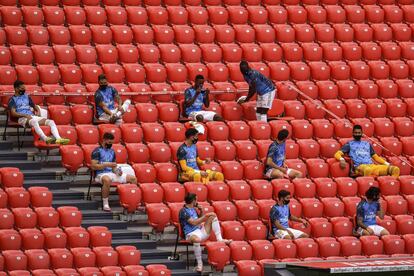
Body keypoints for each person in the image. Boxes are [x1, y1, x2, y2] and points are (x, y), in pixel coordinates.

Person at [179, 193, 231, 272]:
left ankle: (220, 239)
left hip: (200, 231)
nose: (197, 201)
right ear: (193, 201)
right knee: (196, 240)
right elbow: (194, 223)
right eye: (196, 199)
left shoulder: (194, 209)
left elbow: (199, 220)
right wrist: (205, 217)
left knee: (213, 216)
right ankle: (200, 264)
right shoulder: (183, 211)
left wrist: (201, 211)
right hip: (191, 234)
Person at [8, 80, 70, 145]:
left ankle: (58, 138)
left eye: (24, 88)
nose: (24, 90)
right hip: (21, 118)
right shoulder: (12, 100)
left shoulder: (26, 96)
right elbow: (13, 113)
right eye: (22, 88)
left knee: (51, 122)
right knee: (34, 121)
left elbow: (34, 106)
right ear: (16, 89)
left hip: (31, 116)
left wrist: (38, 111)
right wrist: (25, 115)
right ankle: (45, 138)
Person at [91, 132, 137, 212]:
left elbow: (113, 167)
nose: (110, 144)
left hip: (111, 173)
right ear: (104, 140)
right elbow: (93, 166)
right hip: (100, 174)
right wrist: (106, 164)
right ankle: (105, 203)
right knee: (107, 180)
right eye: (109, 142)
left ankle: (133, 202)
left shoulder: (112, 151)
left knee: (133, 179)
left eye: (112, 143)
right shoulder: (97, 151)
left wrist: (117, 171)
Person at [334, 125, 400, 178]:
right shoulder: (349, 144)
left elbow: (376, 157)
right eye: (356, 133)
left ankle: (388, 185)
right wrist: (341, 159)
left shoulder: (367, 144)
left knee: (395, 169)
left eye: (359, 133)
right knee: (368, 170)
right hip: (359, 167)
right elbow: (337, 154)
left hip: (372, 166)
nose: (357, 134)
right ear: (353, 133)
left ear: (362, 133)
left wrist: (387, 163)